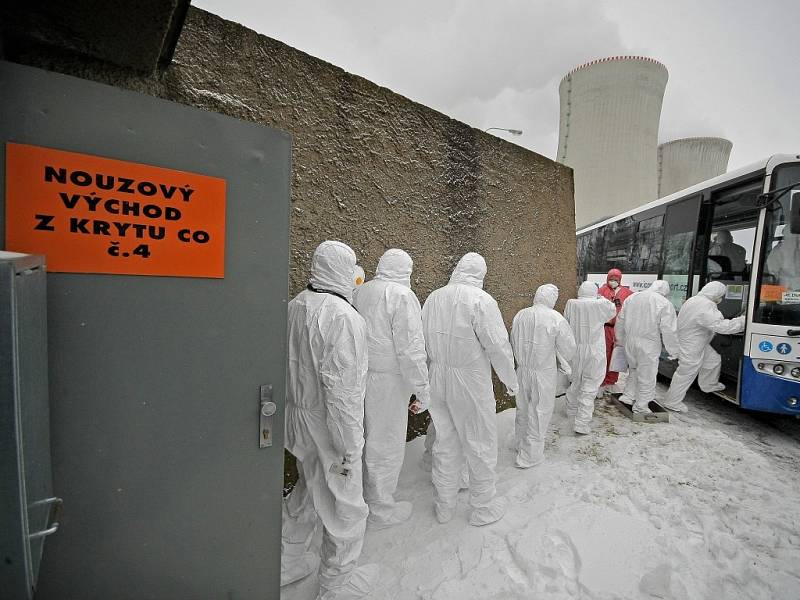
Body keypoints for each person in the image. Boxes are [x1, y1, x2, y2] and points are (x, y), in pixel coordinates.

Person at [281, 241, 378, 599]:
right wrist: (350, 447)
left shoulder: (294, 306)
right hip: (327, 424)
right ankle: (338, 585)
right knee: (347, 505)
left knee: (308, 489)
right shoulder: (343, 317)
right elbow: (344, 392)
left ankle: (286, 564)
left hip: (297, 418)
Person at [422, 252, 518, 526]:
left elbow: (422, 338)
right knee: (480, 442)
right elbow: (498, 346)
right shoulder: (480, 300)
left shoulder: (433, 297)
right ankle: (483, 506)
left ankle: (444, 504)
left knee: (445, 441)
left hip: (437, 376)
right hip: (469, 380)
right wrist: (510, 380)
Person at [352, 249, 429, 528]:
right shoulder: (401, 296)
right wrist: (422, 389)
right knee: (384, 444)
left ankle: (358, 499)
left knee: (362, 437)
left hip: (359, 375)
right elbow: (410, 349)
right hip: (388, 380)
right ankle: (380, 509)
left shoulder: (362, 292)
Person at [511, 284, 576, 467]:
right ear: (551, 299)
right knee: (539, 411)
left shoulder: (520, 315)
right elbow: (569, 348)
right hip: (543, 372)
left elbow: (513, 339)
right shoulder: (555, 318)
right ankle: (530, 455)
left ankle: (520, 443)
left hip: (522, 369)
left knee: (522, 409)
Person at [662, 281, 745, 412]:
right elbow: (721, 326)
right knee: (686, 372)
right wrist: (742, 321)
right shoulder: (705, 305)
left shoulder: (695, 299)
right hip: (692, 344)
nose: (721, 298)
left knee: (713, 360)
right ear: (715, 293)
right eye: (721, 295)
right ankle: (672, 401)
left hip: (695, 340)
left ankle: (709, 384)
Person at [615, 280, 680, 413]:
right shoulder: (664, 303)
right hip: (648, 344)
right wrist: (674, 350)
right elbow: (669, 330)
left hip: (630, 341)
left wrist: (620, 339)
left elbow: (620, 320)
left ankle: (628, 396)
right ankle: (641, 406)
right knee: (647, 375)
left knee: (633, 369)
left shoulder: (632, 297)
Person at [564, 281, 616, 434]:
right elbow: (612, 311)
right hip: (594, 350)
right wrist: (600, 298)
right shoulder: (599, 305)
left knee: (576, 380)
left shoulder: (571, 304)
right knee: (590, 384)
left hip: (576, 348)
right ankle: (581, 422)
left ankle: (571, 410)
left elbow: (566, 321)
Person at [597, 269, 633, 395]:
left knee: (616, 355)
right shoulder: (602, 291)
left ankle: (611, 381)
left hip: (620, 329)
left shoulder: (627, 293)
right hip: (605, 327)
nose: (613, 282)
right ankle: (600, 382)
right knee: (604, 355)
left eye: (616, 279)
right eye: (611, 279)